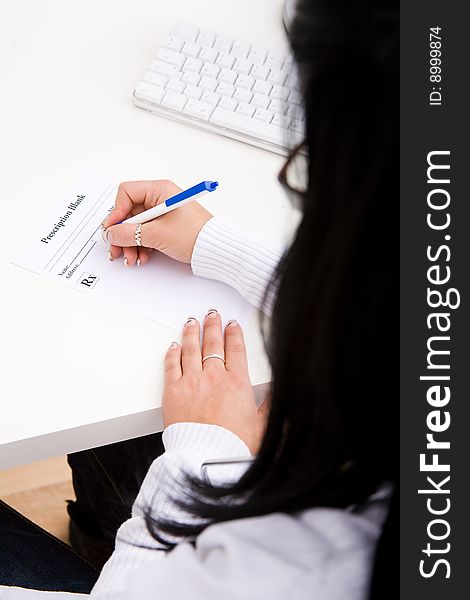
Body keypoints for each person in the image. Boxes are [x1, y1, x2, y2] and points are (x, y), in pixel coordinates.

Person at [0, 0, 398, 598]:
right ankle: (95, 534)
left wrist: (205, 453)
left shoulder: (318, 566)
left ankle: (97, 544)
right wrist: (216, 244)